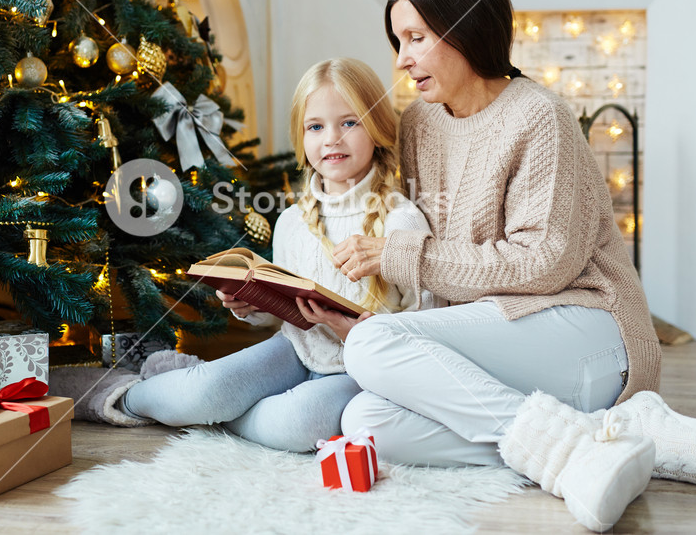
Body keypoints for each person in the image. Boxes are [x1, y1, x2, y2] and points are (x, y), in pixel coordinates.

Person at [294, 0, 696, 532]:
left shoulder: (541, 116)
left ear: (465, 31)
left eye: (415, 38)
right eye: (397, 40)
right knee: (365, 419)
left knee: (373, 346)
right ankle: (598, 435)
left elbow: (543, 264)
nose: (402, 59)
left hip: (587, 323)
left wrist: (401, 259)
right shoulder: (418, 124)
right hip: (497, 340)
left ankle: (575, 453)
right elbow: (387, 216)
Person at [53, 58, 432, 453]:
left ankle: (212, 410)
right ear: (301, 137)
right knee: (205, 391)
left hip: (361, 370)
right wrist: (251, 304)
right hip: (296, 349)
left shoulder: (402, 219)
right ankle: (116, 394)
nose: (331, 139)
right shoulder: (292, 221)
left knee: (298, 424)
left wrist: (360, 334)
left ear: (378, 129)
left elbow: (429, 324)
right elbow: (284, 311)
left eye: (349, 122)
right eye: (315, 126)